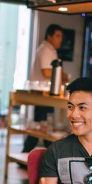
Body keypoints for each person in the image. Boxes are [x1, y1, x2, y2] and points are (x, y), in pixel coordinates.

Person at [22, 24, 69, 154]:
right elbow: (47, 73)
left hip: (46, 96)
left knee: (43, 128)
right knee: (42, 128)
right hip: (43, 96)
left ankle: (47, 156)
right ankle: (30, 156)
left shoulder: (48, 50)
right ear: (49, 36)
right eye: (57, 36)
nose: (60, 39)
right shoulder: (46, 50)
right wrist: (64, 75)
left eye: (61, 37)